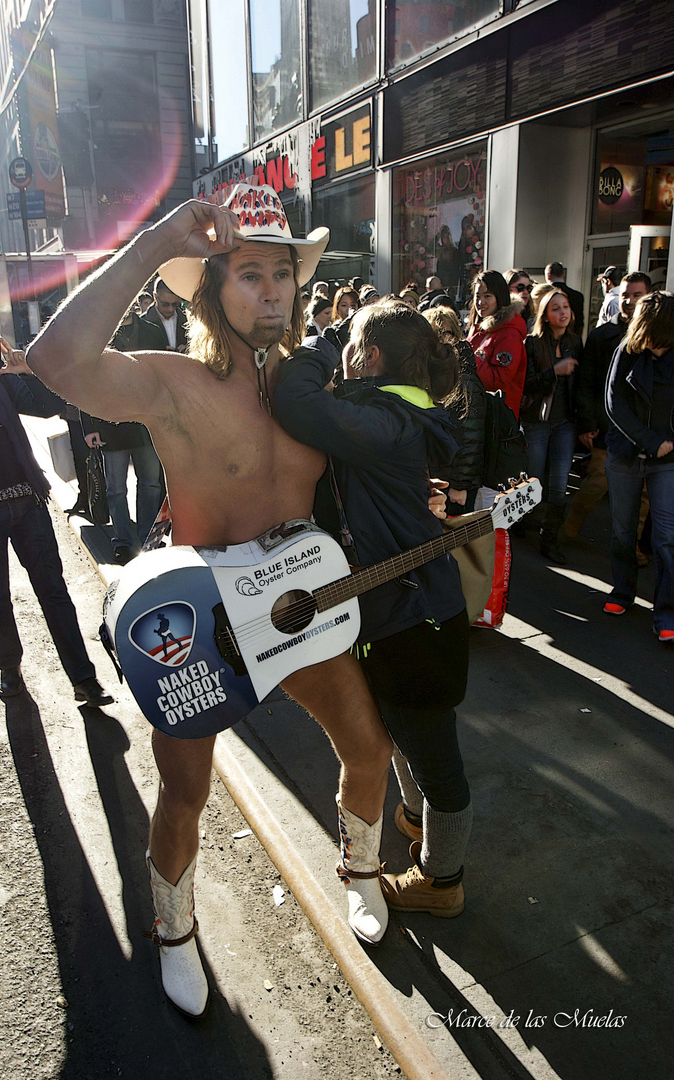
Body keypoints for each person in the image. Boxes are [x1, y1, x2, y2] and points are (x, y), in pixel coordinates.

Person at [26, 185, 394, 1018]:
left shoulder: (316, 387)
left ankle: (363, 870)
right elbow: (55, 363)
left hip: (301, 609)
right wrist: (156, 240)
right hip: (200, 626)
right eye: (250, 273)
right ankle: (175, 931)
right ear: (210, 292)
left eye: (283, 275)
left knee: (368, 750)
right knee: (184, 795)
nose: (271, 291)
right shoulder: (172, 384)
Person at [273, 300, 472, 917]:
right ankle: (416, 822)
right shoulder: (401, 412)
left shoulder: (385, 420)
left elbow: (297, 402)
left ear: (373, 355)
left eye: (355, 343)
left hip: (414, 620)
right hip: (411, 611)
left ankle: (443, 880)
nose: (347, 355)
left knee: (438, 761)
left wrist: (327, 340)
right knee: (406, 733)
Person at [0, 297, 113, 707]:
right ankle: (10, 670)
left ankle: (84, 679)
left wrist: (29, 368)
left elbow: (45, 407)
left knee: (53, 589)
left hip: (26, 498)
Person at [604, 291, 674, 642]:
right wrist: (650, 441)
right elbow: (614, 403)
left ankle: (666, 613)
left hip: (669, 461)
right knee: (622, 529)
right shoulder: (626, 351)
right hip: (626, 454)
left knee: (666, 538)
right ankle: (622, 591)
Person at [564, 273, 652, 548]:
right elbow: (587, 383)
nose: (629, 301)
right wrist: (587, 423)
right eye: (625, 295)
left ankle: (632, 546)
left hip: (646, 429)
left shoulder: (657, 336)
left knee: (644, 494)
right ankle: (567, 531)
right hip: (607, 426)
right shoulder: (602, 335)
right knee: (597, 482)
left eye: (637, 295)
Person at [81, 305, 165, 563]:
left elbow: (163, 375)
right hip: (110, 421)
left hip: (146, 422)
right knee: (115, 489)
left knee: (151, 483)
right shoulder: (98, 334)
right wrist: (89, 426)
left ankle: (149, 538)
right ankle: (123, 541)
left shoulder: (153, 331)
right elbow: (86, 381)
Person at [521, 286, 581, 563]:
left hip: (564, 423)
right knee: (533, 479)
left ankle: (550, 538)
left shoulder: (574, 342)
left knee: (559, 483)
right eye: (556, 308)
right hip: (537, 422)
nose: (563, 312)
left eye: (565, 306)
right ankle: (521, 521)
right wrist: (553, 371)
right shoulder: (532, 344)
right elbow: (526, 384)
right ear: (545, 314)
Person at [422, 302, 485, 515]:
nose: (440, 340)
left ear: (456, 335)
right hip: (436, 477)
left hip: (455, 483)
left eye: (446, 333)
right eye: (434, 334)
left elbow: (472, 437)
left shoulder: (464, 377)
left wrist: (460, 484)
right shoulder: (429, 372)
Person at [467, 269, 527, 420]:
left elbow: (498, 380)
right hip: (478, 413)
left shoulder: (509, 334)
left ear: (499, 297)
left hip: (497, 420)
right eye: (477, 296)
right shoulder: (479, 328)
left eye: (487, 296)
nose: (481, 302)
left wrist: (467, 357)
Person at [140, 277, 188, 351]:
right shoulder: (142, 323)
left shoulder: (188, 321)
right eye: (165, 304)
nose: (170, 309)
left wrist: (188, 347)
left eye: (175, 304)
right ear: (155, 297)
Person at [545, 261, 585, 337]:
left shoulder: (544, 295)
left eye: (566, 306)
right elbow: (580, 323)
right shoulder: (577, 296)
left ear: (548, 276)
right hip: (572, 339)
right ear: (563, 274)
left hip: (548, 338)